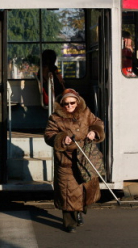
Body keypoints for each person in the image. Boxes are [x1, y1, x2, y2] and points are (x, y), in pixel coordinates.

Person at [44, 88, 105, 233]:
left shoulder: (85, 112)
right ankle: (69, 222)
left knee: (85, 189)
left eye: (72, 103)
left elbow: (98, 122)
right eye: (66, 104)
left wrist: (94, 131)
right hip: (67, 160)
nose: (69, 106)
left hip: (85, 157)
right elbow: (49, 134)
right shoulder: (55, 118)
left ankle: (79, 212)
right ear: (62, 104)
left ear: (77, 102)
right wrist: (61, 138)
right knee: (68, 192)